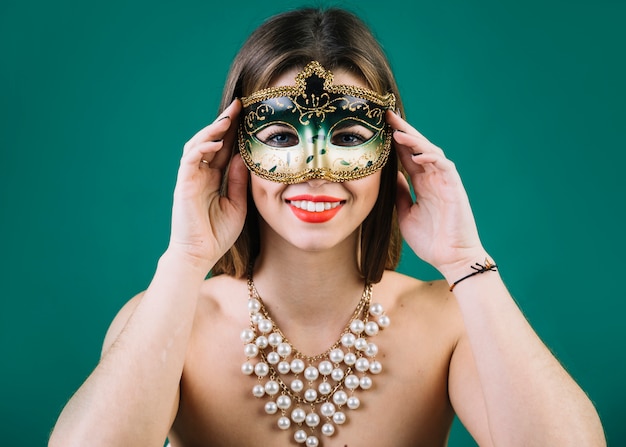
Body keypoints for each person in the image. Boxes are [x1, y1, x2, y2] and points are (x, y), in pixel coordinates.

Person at [49, 7, 606, 447]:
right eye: (282, 136)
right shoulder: (166, 320)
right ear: (233, 148)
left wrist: (465, 261)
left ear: (391, 153)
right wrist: (186, 257)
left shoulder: (450, 323)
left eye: (346, 136)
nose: (315, 168)